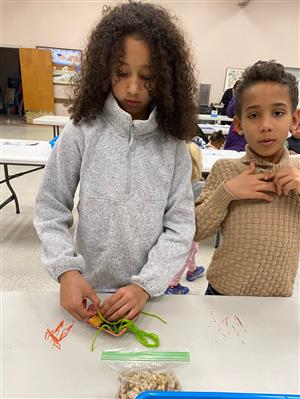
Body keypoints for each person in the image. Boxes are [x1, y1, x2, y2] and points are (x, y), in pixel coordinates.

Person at [34, 2, 197, 322]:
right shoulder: (81, 131)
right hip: (87, 292)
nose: (134, 87)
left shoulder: (174, 146)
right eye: (122, 72)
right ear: (104, 68)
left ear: (165, 77)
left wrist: (145, 286)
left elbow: (180, 227)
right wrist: (66, 270)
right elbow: (50, 205)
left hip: (149, 299)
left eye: (148, 76)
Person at [195, 60, 300, 296]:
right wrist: (227, 192)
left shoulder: (298, 170)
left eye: (278, 113)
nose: (265, 125)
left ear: (294, 120)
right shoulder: (225, 170)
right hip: (222, 294)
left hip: (276, 301)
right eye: (254, 115)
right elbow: (197, 231)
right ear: (239, 124)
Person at [165, 142, 205, 294]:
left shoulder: (171, 184)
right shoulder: (200, 187)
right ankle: (173, 285)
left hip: (176, 226)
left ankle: (193, 269)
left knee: (193, 250)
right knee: (189, 250)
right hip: (191, 228)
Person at [224, 80, 247, 152]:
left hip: (240, 135)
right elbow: (230, 112)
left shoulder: (238, 97)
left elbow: (230, 112)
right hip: (237, 133)